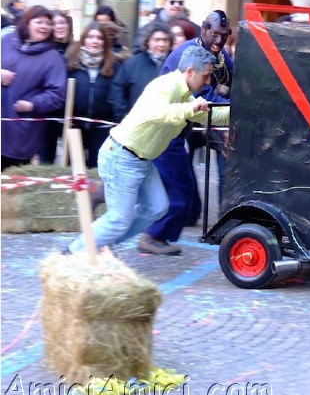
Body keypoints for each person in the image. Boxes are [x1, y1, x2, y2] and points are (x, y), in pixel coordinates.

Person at [65, 46, 228, 256]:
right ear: (190, 72)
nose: (207, 82)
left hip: (140, 159)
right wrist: (191, 108)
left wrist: (241, 111)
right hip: (122, 156)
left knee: (156, 207)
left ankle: (103, 244)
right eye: (205, 76)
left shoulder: (185, 96)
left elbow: (210, 115)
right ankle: (71, 253)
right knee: (119, 219)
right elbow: (157, 113)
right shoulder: (164, 86)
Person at [137, 10, 233, 254]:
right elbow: (206, 101)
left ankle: (159, 236)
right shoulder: (189, 54)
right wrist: (238, 109)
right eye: (215, 34)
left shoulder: (218, 55)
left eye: (224, 35)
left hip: (176, 132)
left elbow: (236, 80)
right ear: (204, 29)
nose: (219, 41)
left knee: (178, 189)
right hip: (164, 132)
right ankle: (152, 237)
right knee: (178, 192)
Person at [1, 6, 67, 170]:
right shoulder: (6, 41)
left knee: (11, 179)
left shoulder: (52, 58)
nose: (44, 27)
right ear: (27, 23)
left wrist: (33, 104)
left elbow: (57, 94)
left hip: (20, 132)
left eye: (48, 23)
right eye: (39, 22)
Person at [64, 21, 120, 168]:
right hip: (75, 126)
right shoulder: (70, 63)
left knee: (98, 169)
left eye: (99, 38)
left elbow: (117, 95)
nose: (95, 41)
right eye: (90, 37)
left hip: (102, 128)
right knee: (74, 170)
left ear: (105, 42)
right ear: (83, 39)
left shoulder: (114, 66)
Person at [110, 22, 173, 122]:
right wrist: (124, 117)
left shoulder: (176, 64)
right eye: (156, 40)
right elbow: (117, 90)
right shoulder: (132, 64)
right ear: (147, 42)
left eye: (165, 40)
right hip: (136, 123)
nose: (161, 44)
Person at [38, 9, 75, 164]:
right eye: (54, 24)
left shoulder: (77, 49)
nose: (59, 27)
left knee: (71, 157)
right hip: (48, 109)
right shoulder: (43, 49)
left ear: (68, 25)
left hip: (72, 109)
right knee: (46, 157)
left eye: (62, 22)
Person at [132, 0, 200, 54]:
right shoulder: (149, 28)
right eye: (172, 2)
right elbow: (137, 50)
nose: (176, 5)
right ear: (164, 4)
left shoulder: (194, 28)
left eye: (180, 3)